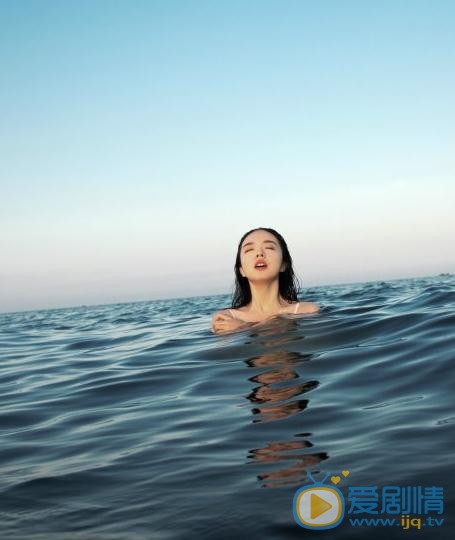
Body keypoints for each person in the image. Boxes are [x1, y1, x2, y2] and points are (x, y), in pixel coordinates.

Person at [212, 227, 320, 334]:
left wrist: (243, 327)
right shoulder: (226, 317)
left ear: (283, 265)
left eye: (269, 247)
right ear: (241, 270)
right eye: (249, 249)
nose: (259, 253)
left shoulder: (306, 310)